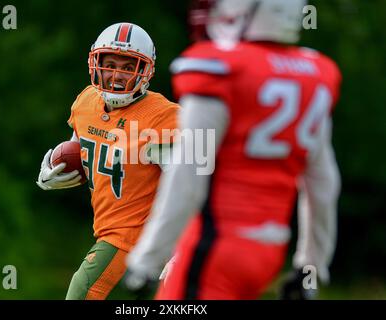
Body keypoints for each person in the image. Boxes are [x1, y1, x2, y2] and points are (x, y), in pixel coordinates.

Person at [125, 0, 341, 300]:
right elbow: (323, 183)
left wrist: (147, 259)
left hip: (216, 247)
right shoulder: (313, 74)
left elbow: (188, 174)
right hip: (270, 249)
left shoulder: (220, 69)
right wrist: (311, 266)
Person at [36, 22, 179, 300]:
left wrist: (185, 247)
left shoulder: (161, 117)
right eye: (110, 63)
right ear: (95, 63)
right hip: (109, 229)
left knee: (83, 289)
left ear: (145, 71)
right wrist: (53, 169)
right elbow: (80, 146)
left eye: (127, 67)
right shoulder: (86, 102)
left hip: (137, 233)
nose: (116, 74)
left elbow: (189, 186)